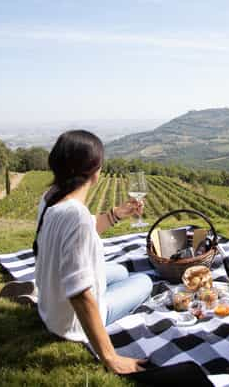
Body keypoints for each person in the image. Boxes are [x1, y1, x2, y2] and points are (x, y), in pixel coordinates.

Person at [35, 130, 152, 375]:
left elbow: (87, 225)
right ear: (94, 169)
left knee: (120, 270)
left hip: (50, 305)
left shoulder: (51, 198)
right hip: (69, 324)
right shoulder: (75, 215)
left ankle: (34, 292)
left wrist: (117, 214)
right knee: (143, 281)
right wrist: (110, 357)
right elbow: (79, 293)